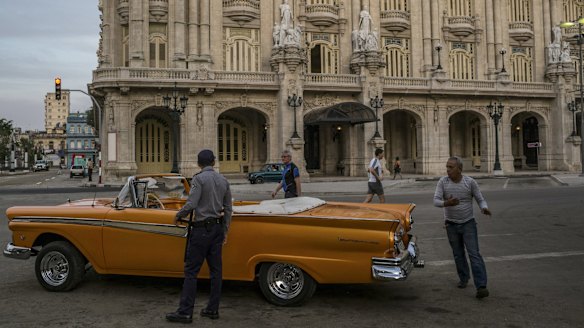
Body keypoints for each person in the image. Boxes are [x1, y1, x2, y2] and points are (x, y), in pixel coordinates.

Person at [166, 149, 233, 323]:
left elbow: (191, 204)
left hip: (201, 230)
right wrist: (225, 231)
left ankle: (185, 312)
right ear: (214, 162)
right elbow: (228, 209)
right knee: (216, 272)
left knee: (191, 272)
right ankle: (213, 309)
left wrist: (178, 215)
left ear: (198, 163)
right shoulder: (223, 180)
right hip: (217, 229)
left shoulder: (198, 179)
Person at [433, 156, 491, 299]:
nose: (447, 170)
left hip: (468, 223)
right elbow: (436, 201)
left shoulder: (469, 182)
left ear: (459, 169)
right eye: (447, 167)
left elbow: (480, 198)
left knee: (474, 254)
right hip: (451, 224)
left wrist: (484, 208)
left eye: (451, 167)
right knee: (458, 254)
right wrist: (447, 203)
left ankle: (481, 286)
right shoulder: (443, 182)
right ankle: (464, 278)